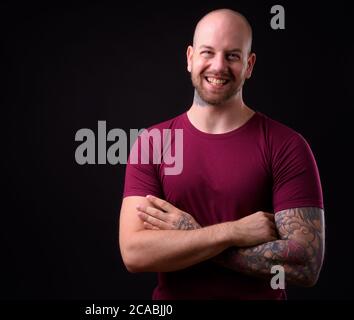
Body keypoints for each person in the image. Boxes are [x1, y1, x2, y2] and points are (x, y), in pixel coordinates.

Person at [118, 8, 325, 300]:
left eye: (232, 55)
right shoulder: (152, 143)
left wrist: (189, 233)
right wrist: (232, 232)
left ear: (249, 65)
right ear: (190, 58)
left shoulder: (287, 145)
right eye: (207, 52)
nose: (218, 66)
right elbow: (135, 254)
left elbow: (306, 266)